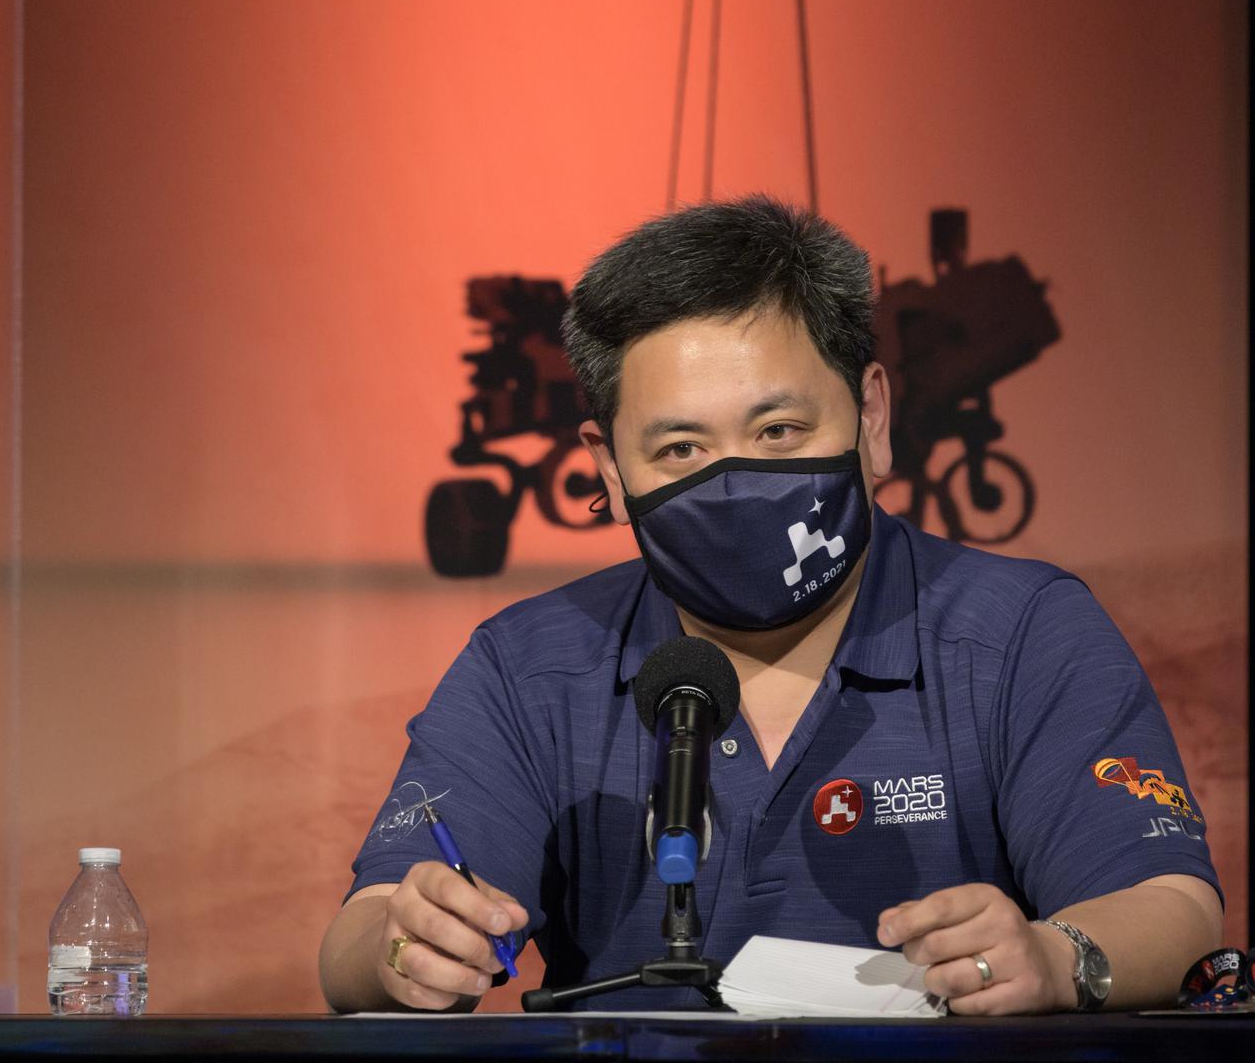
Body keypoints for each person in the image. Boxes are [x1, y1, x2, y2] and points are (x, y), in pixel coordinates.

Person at [319, 196, 1223, 1015]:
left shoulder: (1022, 631)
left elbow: (1168, 903)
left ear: (871, 417)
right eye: (680, 449)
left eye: (779, 431)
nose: (736, 483)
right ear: (611, 470)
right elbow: (361, 936)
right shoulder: (528, 665)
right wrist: (407, 948)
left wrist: (1056, 957)